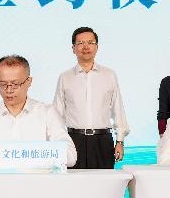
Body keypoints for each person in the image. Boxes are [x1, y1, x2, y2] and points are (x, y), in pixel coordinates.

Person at [0, 55, 76, 169]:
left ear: (28, 82)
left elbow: (70, 156)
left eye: (15, 84)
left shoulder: (47, 114)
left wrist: (29, 155)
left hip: (37, 183)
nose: (9, 90)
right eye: (3, 84)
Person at [54, 27, 129, 169]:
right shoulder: (65, 77)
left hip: (102, 141)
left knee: (104, 181)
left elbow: (117, 108)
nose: (86, 46)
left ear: (97, 47)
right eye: (80, 43)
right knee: (73, 181)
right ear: (73, 48)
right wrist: (57, 143)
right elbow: (57, 113)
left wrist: (120, 141)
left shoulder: (109, 75)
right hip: (73, 140)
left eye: (90, 42)